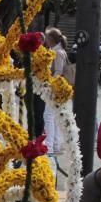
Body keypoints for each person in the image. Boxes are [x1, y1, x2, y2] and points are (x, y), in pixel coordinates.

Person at [43, 27, 71, 157]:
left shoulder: (57, 52)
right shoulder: (58, 50)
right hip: (57, 86)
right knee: (54, 116)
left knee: (49, 115)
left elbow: (58, 71)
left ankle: (49, 146)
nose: (46, 40)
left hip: (56, 87)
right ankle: (54, 144)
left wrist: (51, 84)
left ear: (51, 39)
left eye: (47, 38)